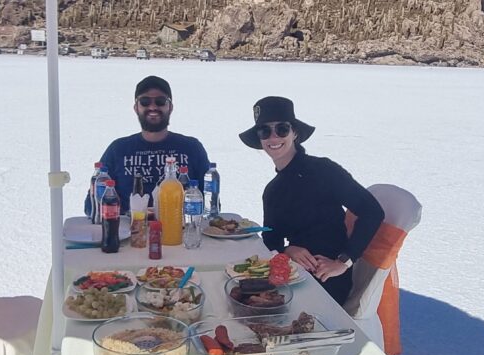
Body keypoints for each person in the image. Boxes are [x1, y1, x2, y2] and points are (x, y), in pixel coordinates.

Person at [238, 96, 385, 304]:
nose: (273, 137)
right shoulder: (273, 190)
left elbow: (372, 211)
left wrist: (343, 261)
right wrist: (289, 250)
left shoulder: (323, 170)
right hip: (293, 275)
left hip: (329, 279)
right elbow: (272, 240)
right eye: (265, 131)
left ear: (294, 133)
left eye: (282, 129)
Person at [85, 76, 210, 215]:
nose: (153, 107)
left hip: (179, 230)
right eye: (145, 102)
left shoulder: (191, 148)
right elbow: (92, 207)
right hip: (130, 232)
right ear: (136, 108)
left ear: (170, 107)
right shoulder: (118, 149)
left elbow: (209, 204)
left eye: (160, 101)